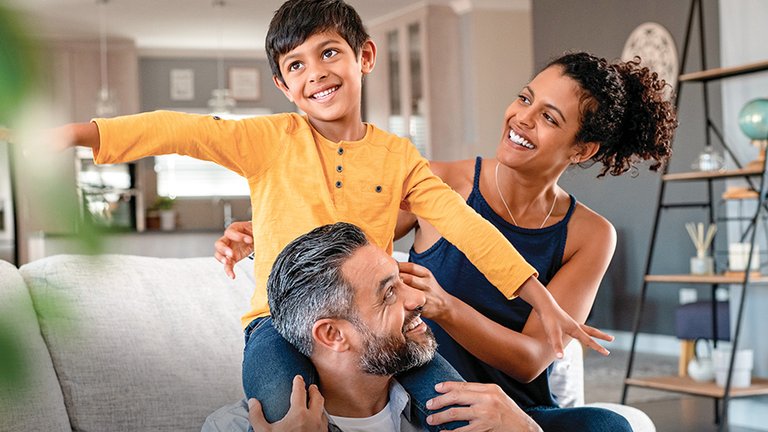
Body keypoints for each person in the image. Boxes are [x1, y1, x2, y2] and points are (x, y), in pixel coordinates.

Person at [55, 0, 610, 427]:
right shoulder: (267, 140)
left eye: (328, 53)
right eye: (295, 64)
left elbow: (469, 228)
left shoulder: (400, 158)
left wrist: (541, 299)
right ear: (283, 85)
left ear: (363, 56)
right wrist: (71, 135)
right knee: (286, 414)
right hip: (277, 326)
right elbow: (177, 130)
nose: (315, 73)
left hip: (381, 326)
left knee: (455, 415)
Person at [217, 52, 677, 431]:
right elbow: (343, 242)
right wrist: (257, 233)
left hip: (513, 409)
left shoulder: (590, 235)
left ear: (581, 150)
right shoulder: (438, 182)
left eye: (548, 118)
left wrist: (444, 307)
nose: (521, 118)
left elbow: (532, 360)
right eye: (524, 99)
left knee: (611, 426)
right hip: (423, 401)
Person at [250, 222, 543, 431]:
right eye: (388, 293)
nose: (419, 299)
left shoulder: (478, 419)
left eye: (401, 281)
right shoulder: (235, 426)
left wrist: (527, 430)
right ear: (333, 334)